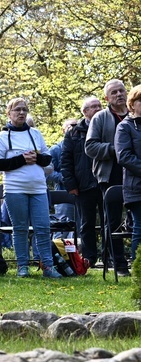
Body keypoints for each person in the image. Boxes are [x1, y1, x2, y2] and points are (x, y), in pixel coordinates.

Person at [0, 97, 61, 278]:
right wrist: (22, 159)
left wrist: (35, 158)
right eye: (17, 110)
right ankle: (23, 266)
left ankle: (48, 266)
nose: (21, 113)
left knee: (43, 227)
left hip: (38, 188)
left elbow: (47, 158)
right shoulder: (2, 137)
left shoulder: (35, 134)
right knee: (20, 228)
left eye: (24, 110)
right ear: (9, 113)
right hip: (15, 190)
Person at [86, 79, 130, 276]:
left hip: (135, 173)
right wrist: (115, 150)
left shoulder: (135, 115)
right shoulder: (100, 118)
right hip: (111, 174)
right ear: (107, 98)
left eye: (121, 90)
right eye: (114, 92)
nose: (119, 94)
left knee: (135, 219)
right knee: (112, 221)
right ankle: (118, 264)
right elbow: (90, 147)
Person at [61, 96, 103, 267]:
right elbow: (66, 161)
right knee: (86, 224)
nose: (98, 109)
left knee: (110, 223)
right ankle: (90, 258)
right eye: (93, 106)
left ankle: (110, 256)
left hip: (105, 183)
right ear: (85, 112)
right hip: (83, 185)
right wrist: (71, 185)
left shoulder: (107, 127)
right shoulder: (74, 133)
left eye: (99, 105)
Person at [114, 85, 141, 263]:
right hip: (137, 188)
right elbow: (124, 157)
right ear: (132, 103)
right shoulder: (125, 127)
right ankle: (138, 270)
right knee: (140, 228)